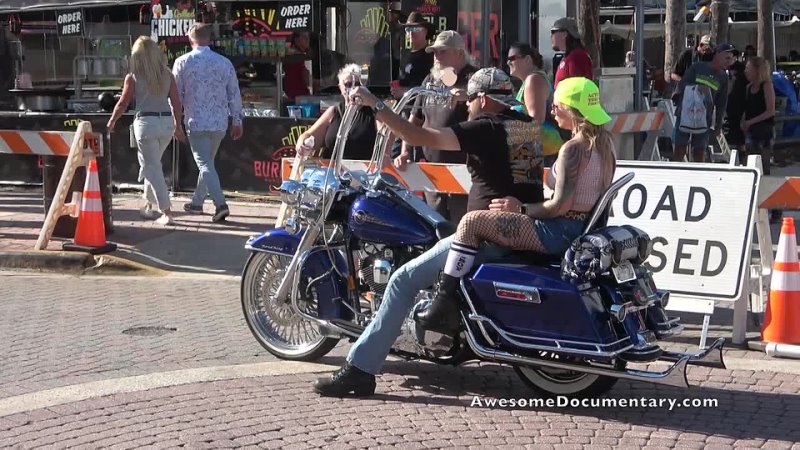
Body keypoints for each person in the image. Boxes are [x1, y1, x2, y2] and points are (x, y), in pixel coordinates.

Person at [313, 68, 544, 397]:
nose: (465, 106)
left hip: (485, 235)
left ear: (483, 99)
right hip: (519, 229)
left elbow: (423, 137)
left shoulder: (486, 128)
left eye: (470, 100)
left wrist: (376, 104)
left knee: (402, 281)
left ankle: (360, 369)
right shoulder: (526, 125)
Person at [417, 77, 616, 333]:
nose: (552, 111)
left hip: (559, 231)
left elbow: (560, 207)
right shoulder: (605, 144)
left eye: (557, 106)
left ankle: (442, 304)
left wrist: (519, 208)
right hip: (581, 229)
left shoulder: (573, 149)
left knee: (471, 221)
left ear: (571, 109)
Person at [394, 30, 477, 222]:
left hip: (463, 170)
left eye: (442, 51)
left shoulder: (473, 79)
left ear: (458, 53)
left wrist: (469, 97)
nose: (436, 57)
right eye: (434, 52)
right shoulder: (430, 80)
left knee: (460, 227)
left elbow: (490, 112)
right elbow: (414, 119)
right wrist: (405, 151)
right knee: (435, 225)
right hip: (432, 170)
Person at [107, 36, 185, 225]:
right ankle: (148, 205)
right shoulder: (167, 74)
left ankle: (166, 211)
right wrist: (178, 125)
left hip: (145, 123)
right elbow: (176, 103)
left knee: (152, 167)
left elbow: (123, 103)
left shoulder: (133, 76)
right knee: (152, 164)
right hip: (166, 123)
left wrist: (112, 121)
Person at [173, 23, 243, 222]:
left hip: (196, 121)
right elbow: (234, 93)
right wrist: (237, 119)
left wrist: (176, 123)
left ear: (190, 39)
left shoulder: (182, 62)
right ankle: (197, 202)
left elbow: (176, 96)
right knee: (208, 163)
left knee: (204, 164)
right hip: (219, 122)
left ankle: (220, 204)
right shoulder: (224, 62)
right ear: (209, 38)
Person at [295, 64, 377, 160]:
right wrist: (302, 143)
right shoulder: (334, 111)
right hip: (331, 169)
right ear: (340, 87)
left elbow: (390, 133)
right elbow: (309, 135)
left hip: (362, 171)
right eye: (348, 84)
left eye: (357, 84)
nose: (353, 88)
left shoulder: (373, 112)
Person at [672, 43, 734, 163]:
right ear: (717, 55)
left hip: (705, 117)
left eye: (731, 59)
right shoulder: (697, 67)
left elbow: (722, 102)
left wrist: (718, 125)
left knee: (700, 150)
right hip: (686, 113)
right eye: (727, 58)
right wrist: (697, 87)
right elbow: (682, 84)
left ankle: (698, 175)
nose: (729, 61)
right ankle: (677, 173)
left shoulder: (723, 77)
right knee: (680, 147)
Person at [507, 42, 563, 167]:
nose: (508, 62)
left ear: (527, 59)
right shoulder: (532, 79)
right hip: (539, 151)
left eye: (512, 58)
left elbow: (535, 120)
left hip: (541, 154)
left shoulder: (533, 80)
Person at [742, 56, 780, 174]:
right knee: (750, 163)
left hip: (764, 131)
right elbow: (747, 108)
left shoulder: (767, 85)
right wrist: (743, 121)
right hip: (750, 132)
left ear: (757, 70)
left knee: (764, 166)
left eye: (749, 68)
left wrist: (751, 121)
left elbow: (770, 111)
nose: (746, 71)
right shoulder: (748, 87)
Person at [391, 12, 435, 99]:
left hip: (420, 109)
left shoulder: (431, 56)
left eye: (416, 29)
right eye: (408, 29)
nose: (411, 32)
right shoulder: (406, 55)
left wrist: (406, 91)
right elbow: (410, 80)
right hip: (404, 108)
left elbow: (432, 88)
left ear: (425, 31)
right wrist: (398, 84)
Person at [550, 17, 593, 89]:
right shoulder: (571, 56)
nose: (551, 36)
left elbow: (577, 90)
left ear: (564, 34)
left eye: (553, 32)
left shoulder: (577, 57)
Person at [283, 30, 312, 102]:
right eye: (304, 37)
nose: (307, 40)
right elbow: (307, 80)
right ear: (296, 40)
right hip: (296, 97)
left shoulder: (299, 55)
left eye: (308, 37)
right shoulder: (296, 56)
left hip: (296, 96)